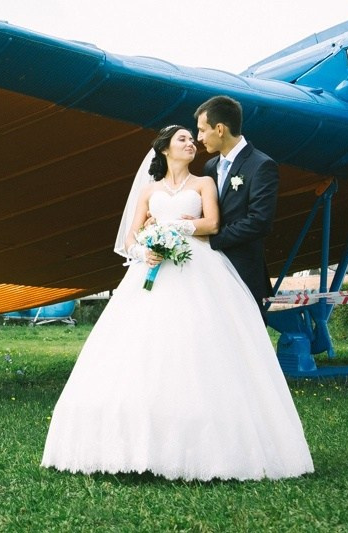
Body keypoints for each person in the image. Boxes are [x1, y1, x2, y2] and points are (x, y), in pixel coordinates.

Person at [40, 125, 313, 481]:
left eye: (192, 138)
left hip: (198, 267)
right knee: (142, 348)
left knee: (197, 343)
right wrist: (145, 249)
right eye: (183, 139)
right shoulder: (149, 190)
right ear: (165, 148)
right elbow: (131, 235)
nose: (192, 144)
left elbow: (212, 223)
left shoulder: (204, 183)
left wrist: (177, 230)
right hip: (152, 272)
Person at [196, 95, 277, 319]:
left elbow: (259, 222)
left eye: (202, 130)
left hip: (244, 275)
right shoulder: (210, 167)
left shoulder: (261, 165)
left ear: (219, 129)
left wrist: (211, 239)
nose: (199, 137)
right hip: (210, 273)